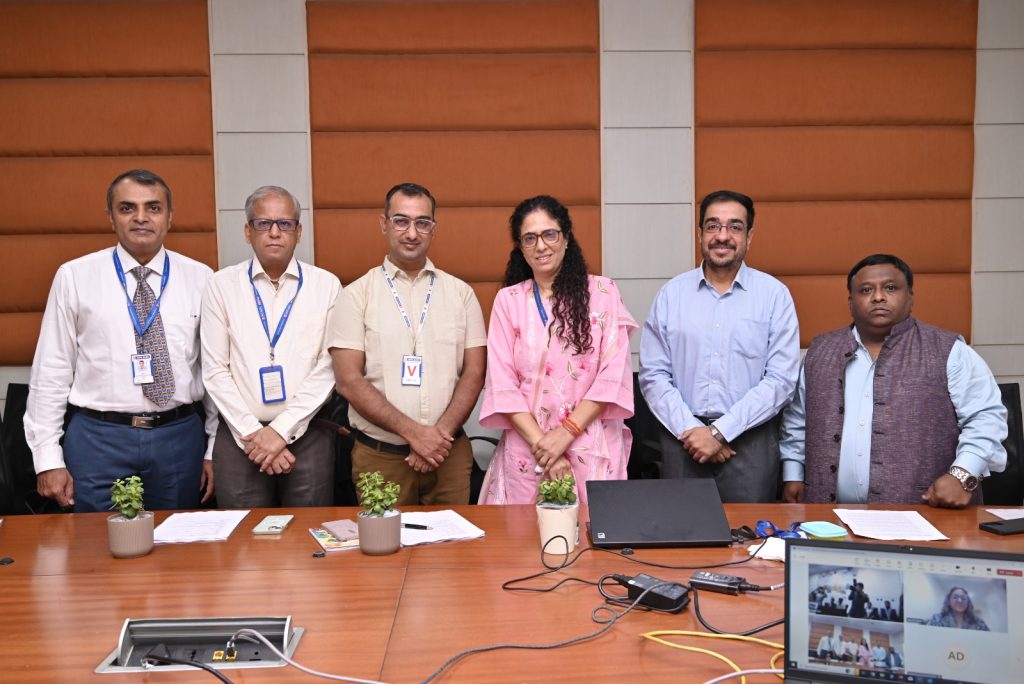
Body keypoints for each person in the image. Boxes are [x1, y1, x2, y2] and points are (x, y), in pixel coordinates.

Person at [25, 169, 216, 511]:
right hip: (98, 439)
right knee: (97, 551)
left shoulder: (202, 278)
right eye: (127, 208)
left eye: (153, 208)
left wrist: (214, 450)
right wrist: (47, 458)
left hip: (178, 438)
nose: (141, 217)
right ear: (110, 217)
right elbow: (51, 369)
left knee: (178, 550)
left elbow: (215, 370)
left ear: (170, 217)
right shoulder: (75, 276)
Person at [781, 254, 1007, 506]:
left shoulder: (950, 351)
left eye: (890, 288)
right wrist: (793, 474)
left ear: (910, 297)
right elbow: (797, 420)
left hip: (928, 517)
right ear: (851, 302)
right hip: (827, 519)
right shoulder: (818, 352)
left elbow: (986, 418)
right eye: (866, 290)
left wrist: (963, 475)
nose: (878, 297)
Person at [329, 182, 486, 506]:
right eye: (401, 221)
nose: (411, 232)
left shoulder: (461, 294)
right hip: (381, 459)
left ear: (433, 228)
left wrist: (436, 438)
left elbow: (474, 373)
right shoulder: (356, 295)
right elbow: (348, 381)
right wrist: (416, 434)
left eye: (422, 222)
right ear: (383, 224)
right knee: (384, 553)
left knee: (454, 554)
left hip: (449, 458)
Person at [638, 189, 799, 502]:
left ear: (749, 236)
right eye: (713, 226)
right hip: (681, 440)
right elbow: (653, 375)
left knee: (752, 543)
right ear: (700, 234)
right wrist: (693, 431)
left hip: (749, 442)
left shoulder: (774, 296)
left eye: (735, 227)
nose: (722, 236)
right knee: (680, 542)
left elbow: (781, 380)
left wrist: (721, 432)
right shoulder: (672, 294)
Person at [477, 196, 637, 504]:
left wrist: (564, 434)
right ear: (520, 247)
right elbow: (502, 383)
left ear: (566, 238)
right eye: (530, 238)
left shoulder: (603, 293)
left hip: (589, 443)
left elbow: (612, 376)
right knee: (522, 544)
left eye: (550, 234)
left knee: (593, 541)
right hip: (529, 448)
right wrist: (544, 445)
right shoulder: (508, 301)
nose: (541, 245)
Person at [201, 186, 340, 507]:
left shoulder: (326, 285)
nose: (275, 233)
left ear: (299, 231)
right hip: (240, 437)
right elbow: (214, 370)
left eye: (285, 224)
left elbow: (328, 368)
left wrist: (280, 431)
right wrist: (254, 434)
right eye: (263, 224)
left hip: (308, 434)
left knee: (309, 540)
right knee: (244, 543)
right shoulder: (221, 285)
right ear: (248, 232)